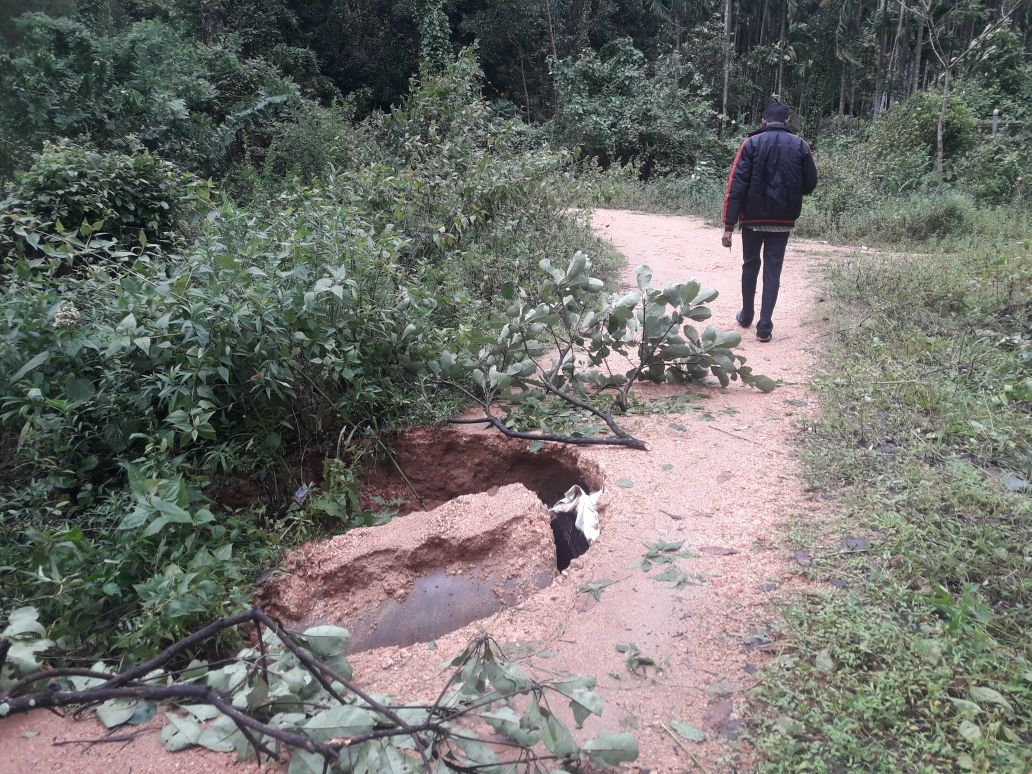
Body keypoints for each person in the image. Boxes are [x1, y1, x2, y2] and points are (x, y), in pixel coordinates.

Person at [721, 103, 818, 342]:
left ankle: (746, 316)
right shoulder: (800, 145)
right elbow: (810, 184)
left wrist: (728, 226)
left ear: (764, 121)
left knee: (750, 265)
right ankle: (764, 327)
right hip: (783, 220)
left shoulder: (751, 144)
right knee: (773, 270)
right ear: (786, 121)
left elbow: (736, 185)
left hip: (752, 219)